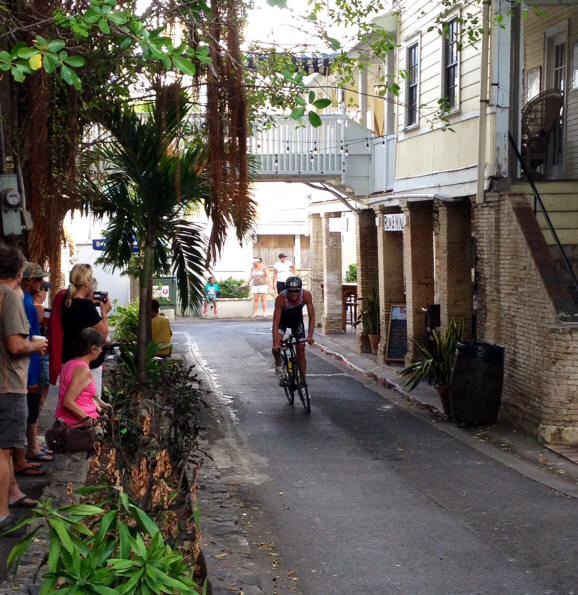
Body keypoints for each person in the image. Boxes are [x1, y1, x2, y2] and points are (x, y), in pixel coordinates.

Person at [0, 245, 49, 530]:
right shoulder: (9, 297)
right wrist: (37, 344)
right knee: (5, 451)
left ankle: (12, 495)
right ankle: (3, 515)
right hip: (8, 384)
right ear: (20, 273)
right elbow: (16, 344)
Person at [16, 263, 53, 470]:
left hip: (29, 364)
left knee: (30, 409)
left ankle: (31, 448)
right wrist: (31, 378)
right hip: (29, 366)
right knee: (29, 410)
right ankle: (28, 451)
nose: (41, 285)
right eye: (38, 280)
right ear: (28, 281)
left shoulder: (24, 301)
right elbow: (26, 339)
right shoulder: (26, 303)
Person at [61, 264, 111, 398]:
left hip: (68, 359)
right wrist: (104, 312)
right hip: (88, 362)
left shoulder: (66, 302)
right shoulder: (85, 306)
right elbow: (103, 333)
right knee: (90, 402)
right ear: (87, 282)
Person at [55, 328, 106, 426]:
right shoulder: (82, 370)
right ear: (93, 349)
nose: (101, 351)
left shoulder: (69, 364)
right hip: (78, 427)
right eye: (100, 348)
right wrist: (90, 421)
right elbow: (68, 402)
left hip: (67, 422)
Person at [272, 276, 315, 381]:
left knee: (301, 351)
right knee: (276, 348)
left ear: (300, 290)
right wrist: (276, 343)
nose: (294, 294)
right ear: (286, 290)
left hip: (297, 322)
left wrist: (310, 336)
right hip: (283, 321)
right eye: (291, 291)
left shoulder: (306, 295)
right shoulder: (281, 299)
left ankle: (303, 380)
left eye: (296, 291)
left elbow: (312, 317)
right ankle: (278, 363)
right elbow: (276, 323)